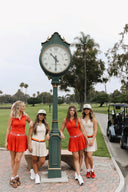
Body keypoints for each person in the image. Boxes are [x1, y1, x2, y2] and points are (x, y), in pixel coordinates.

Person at [60, 105, 89, 186]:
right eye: (70, 110)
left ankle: (77, 172)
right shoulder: (65, 120)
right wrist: (61, 134)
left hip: (80, 138)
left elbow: (83, 130)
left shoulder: (78, 119)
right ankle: (79, 176)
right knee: (75, 157)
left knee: (81, 156)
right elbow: (61, 130)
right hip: (72, 140)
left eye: (73, 110)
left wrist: (87, 140)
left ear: (75, 112)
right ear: (68, 111)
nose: (72, 111)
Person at [5, 101, 31, 188]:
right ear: (18, 107)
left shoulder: (26, 116)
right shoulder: (12, 116)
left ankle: (12, 177)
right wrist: (6, 141)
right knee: (13, 158)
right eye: (23, 106)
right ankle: (16, 176)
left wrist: (31, 123)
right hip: (12, 138)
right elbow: (8, 128)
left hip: (22, 139)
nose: (24, 107)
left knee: (18, 159)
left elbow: (31, 123)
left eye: (24, 106)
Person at [28, 109, 50, 184]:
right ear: (38, 115)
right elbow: (30, 135)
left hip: (42, 144)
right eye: (40, 114)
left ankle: (33, 170)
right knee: (34, 160)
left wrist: (47, 134)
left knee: (42, 161)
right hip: (34, 143)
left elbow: (48, 132)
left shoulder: (46, 124)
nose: (41, 116)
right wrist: (29, 145)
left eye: (43, 115)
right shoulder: (33, 124)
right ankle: (36, 175)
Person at [81, 104, 97, 178]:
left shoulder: (93, 119)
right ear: (83, 110)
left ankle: (92, 170)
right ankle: (87, 171)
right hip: (84, 139)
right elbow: (82, 129)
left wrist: (92, 140)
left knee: (89, 155)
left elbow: (95, 130)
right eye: (85, 109)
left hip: (91, 139)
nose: (86, 110)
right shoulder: (81, 118)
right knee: (85, 156)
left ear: (90, 110)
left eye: (87, 109)